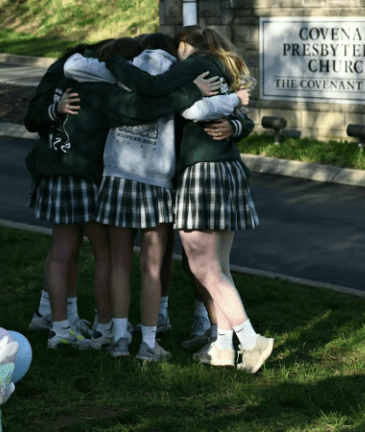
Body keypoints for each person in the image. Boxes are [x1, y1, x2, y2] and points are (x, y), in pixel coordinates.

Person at [25, 37, 221, 350]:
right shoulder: (127, 86)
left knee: (77, 251)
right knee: (131, 260)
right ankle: (119, 333)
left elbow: (69, 72)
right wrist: (189, 91)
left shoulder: (91, 78)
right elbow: (141, 108)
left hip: (81, 173)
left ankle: (77, 328)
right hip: (114, 178)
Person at [63, 33, 248, 360]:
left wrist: (108, 58)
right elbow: (201, 109)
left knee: (120, 261)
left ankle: (120, 337)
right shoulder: (177, 80)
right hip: (156, 181)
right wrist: (236, 104)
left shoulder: (120, 71)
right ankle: (148, 342)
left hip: (118, 175)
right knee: (151, 264)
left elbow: (74, 65)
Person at [103, 26, 274, 373]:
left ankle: (252, 341)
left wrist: (115, 62)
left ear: (183, 46)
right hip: (229, 171)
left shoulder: (193, 64)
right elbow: (241, 118)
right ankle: (223, 349)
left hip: (201, 174)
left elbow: (153, 89)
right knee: (220, 268)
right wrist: (233, 117)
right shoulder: (225, 68)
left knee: (204, 267)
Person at [24, 39, 114, 338]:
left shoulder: (63, 68)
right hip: (85, 171)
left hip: (56, 167)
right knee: (104, 251)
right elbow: (33, 116)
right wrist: (55, 109)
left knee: (64, 249)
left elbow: (33, 115)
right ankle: (105, 326)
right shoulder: (105, 72)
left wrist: (53, 108)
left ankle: (61, 325)